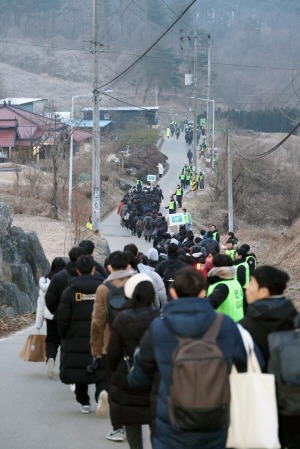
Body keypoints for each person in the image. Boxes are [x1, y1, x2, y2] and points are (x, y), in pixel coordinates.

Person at [128, 267, 248, 449]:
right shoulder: (225, 325)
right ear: (202, 292)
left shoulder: (159, 327)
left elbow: (138, 378)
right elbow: (245, 364)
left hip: (170, 422)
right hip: (216, 419)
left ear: (173, 292)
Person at [240, 265, 300, 449]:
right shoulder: (296, 320)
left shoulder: (244, 327)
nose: (246, 288)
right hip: (293, 407)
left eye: (251, 283)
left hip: (259, 412)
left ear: (263, 291)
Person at [107, 274, 160, 449]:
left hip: (128, 376)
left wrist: (114, 371)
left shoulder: (121, 319)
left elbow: (113, 352)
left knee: (132, 424)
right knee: (156, 425)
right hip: (155, 379)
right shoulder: (159, 319)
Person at [90, 251, 134, 442]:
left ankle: (118, 429)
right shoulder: (140, 284)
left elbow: (97, 322)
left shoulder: (103, 288)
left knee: (114, 385)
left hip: (111, 345)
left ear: (109, 267)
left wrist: (96, 349)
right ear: (128, 266)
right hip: (137, 344)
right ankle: (136, 424)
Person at [57, 255, 106, 413]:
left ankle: (84, 402)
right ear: (93, 269)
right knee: (101, 367)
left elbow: (63, 318)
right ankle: (101, 395)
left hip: (75, 337)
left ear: (77, 270)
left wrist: (64, 335)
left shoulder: (69, 292)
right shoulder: (104, 289)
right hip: (99, 335)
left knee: (79, 369)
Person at [35, 257, 66, 379]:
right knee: (65, 340)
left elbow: (41, 305)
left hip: (50, 316)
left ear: (52, 267)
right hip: (65, 315)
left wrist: (38, 325)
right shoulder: (67, 279)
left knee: (52, 340)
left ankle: (51, 359)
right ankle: (64, 366)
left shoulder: (45, 282)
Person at [206, 254, 244, 322]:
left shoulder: (222, 287)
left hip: (223, 327)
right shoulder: (236, 282)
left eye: (212, 265)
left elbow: (207, 305)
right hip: (237, 325)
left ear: (216, 269)